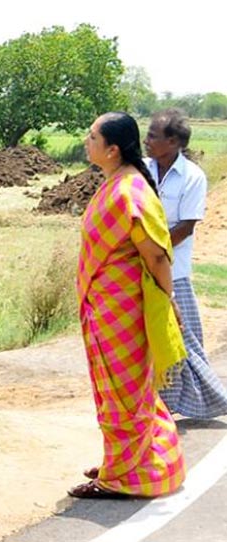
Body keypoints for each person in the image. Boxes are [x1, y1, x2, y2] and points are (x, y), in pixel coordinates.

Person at [69, 111, 187, 499]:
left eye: (92, 137)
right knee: (122, 391)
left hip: (123, 312)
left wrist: (169, 304)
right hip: (105, 309)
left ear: (113, 149)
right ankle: (121, 460)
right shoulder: (116, 183)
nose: (87, 141)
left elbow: (155, 257)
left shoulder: (129, 192)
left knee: (125, 394)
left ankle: (122, 477)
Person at [144, 108, 227, 418]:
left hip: (173, 272)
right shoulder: (142, 170)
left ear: (174, 141)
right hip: (142, 269)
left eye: (153, 135)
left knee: (184, 342)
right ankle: (155, 405)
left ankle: (206, 400)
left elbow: (185, 228)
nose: (147, 140)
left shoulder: (192, 177)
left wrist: (149, 247)